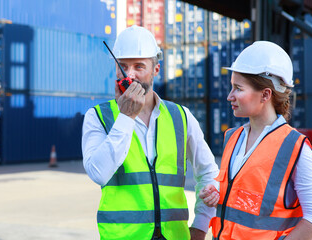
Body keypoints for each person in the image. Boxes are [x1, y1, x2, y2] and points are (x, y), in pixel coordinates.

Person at [82, 25, 219, 240]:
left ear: (156, 69)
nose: (130, 75)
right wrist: (126, 117)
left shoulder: (180, 117)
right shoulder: (98, 116)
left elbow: (209, 173)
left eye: (139, 66)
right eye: (123, 67)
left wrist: (201, 226)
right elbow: (98, 173)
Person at [199, 41, 312, 239]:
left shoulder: (295, 147)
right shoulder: (232, 138)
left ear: (265, 94)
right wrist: (215, 192)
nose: (229, 96)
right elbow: (245, 196)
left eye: (238, 89)